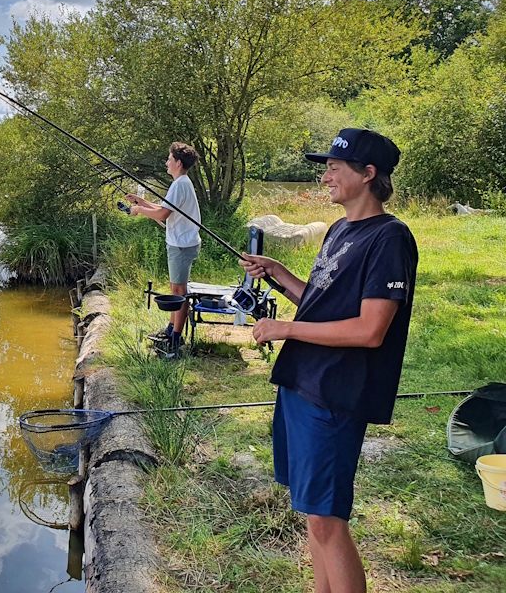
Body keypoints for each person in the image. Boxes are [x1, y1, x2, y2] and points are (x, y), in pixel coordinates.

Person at [238, 128, 418, 593]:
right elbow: (323, 303)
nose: (325, 178)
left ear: (368, 174)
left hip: (336, 394)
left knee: (327, 521)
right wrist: (280, 276)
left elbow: (369, 329)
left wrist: (285, 328)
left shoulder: (390, 238)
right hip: (303, 382)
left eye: (335, 168)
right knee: (312, 514)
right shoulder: (339, 230)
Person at [125, 142, 202, 353]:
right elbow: (163, 208)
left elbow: (162, 215)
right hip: (181, 243)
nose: (166, 162)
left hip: (181, 246)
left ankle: (176, 339)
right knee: (175, 289)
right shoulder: (181, 182)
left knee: (180, 292)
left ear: (178, 163)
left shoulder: (180, 184)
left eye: (169, 159)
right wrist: (141, 201)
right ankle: (171, 329)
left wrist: (139, 209)